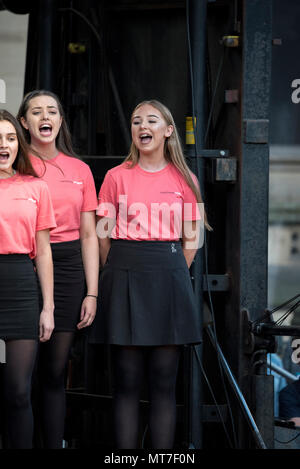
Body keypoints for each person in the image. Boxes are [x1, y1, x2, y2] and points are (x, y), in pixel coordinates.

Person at [96, 99, 208, 449]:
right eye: (136, 121)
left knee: (163, 384)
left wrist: (171, 268)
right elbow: (102, 233)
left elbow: (194, 236)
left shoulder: (186, 178)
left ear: (168, 130)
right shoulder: (115, 176)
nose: (143, 126)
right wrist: (121, 266)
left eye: (152, 120)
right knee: (126, 383)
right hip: (124, 272)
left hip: (169, 275)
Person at [17, 90, 99, 448]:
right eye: (36, 111)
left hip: (67, 268)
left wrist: (92, 292)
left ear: (61, 121)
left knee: (53, 371)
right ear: (24, 122)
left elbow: (89, 235)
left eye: (52, 110)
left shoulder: (79, 170)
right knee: (21, 374)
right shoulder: (13, 165)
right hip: (22, 263)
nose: (44, 116)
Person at [0, 110, 56, 448]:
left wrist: (47, 307)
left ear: (18, 144)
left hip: (21, 284)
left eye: (9, 138)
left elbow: (45, 251)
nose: (3, 145)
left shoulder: (36, 187)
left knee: (18, 391)